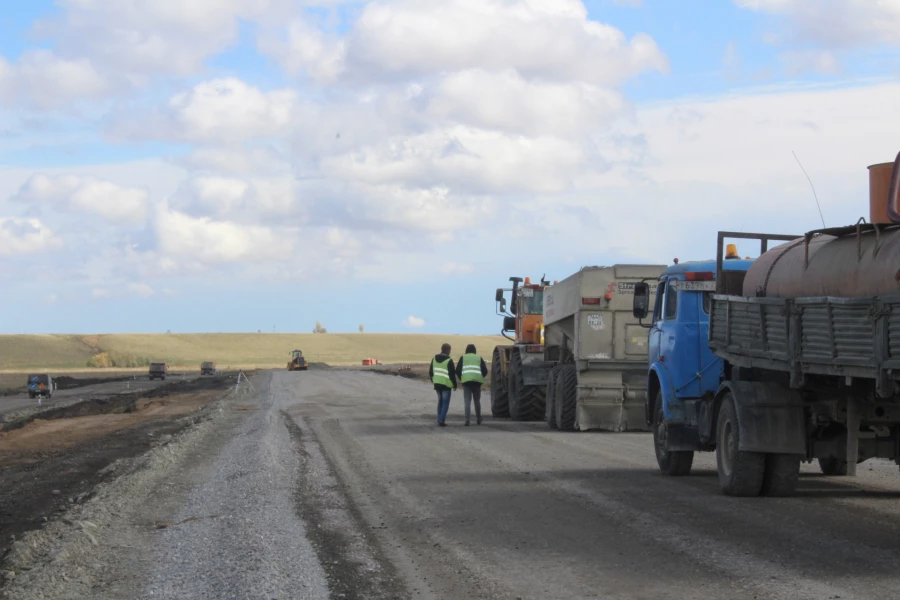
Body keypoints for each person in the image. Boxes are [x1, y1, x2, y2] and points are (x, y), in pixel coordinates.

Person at [456, 344, 488, 426]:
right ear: (475, 350)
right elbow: (485, 371)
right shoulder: (479, 358)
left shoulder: (463, 358)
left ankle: (467, 420)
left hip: (466, 382)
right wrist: (480, 376)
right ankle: (478, 419)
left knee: (467, 401)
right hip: (477, 382)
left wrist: (462, 378)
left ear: (466, 350)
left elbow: (458, 370)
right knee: (477, 401)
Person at [429, 343, 457, 427]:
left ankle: (439, 419)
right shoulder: (449, 361)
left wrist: (434, 380)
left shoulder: (434, 359)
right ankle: (441, 420)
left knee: (440, 402)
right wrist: (454, 384)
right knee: (445, 403)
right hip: (446, 385)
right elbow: (452, 374)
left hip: (437, 384)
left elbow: (431, 372)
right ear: (448, 350)